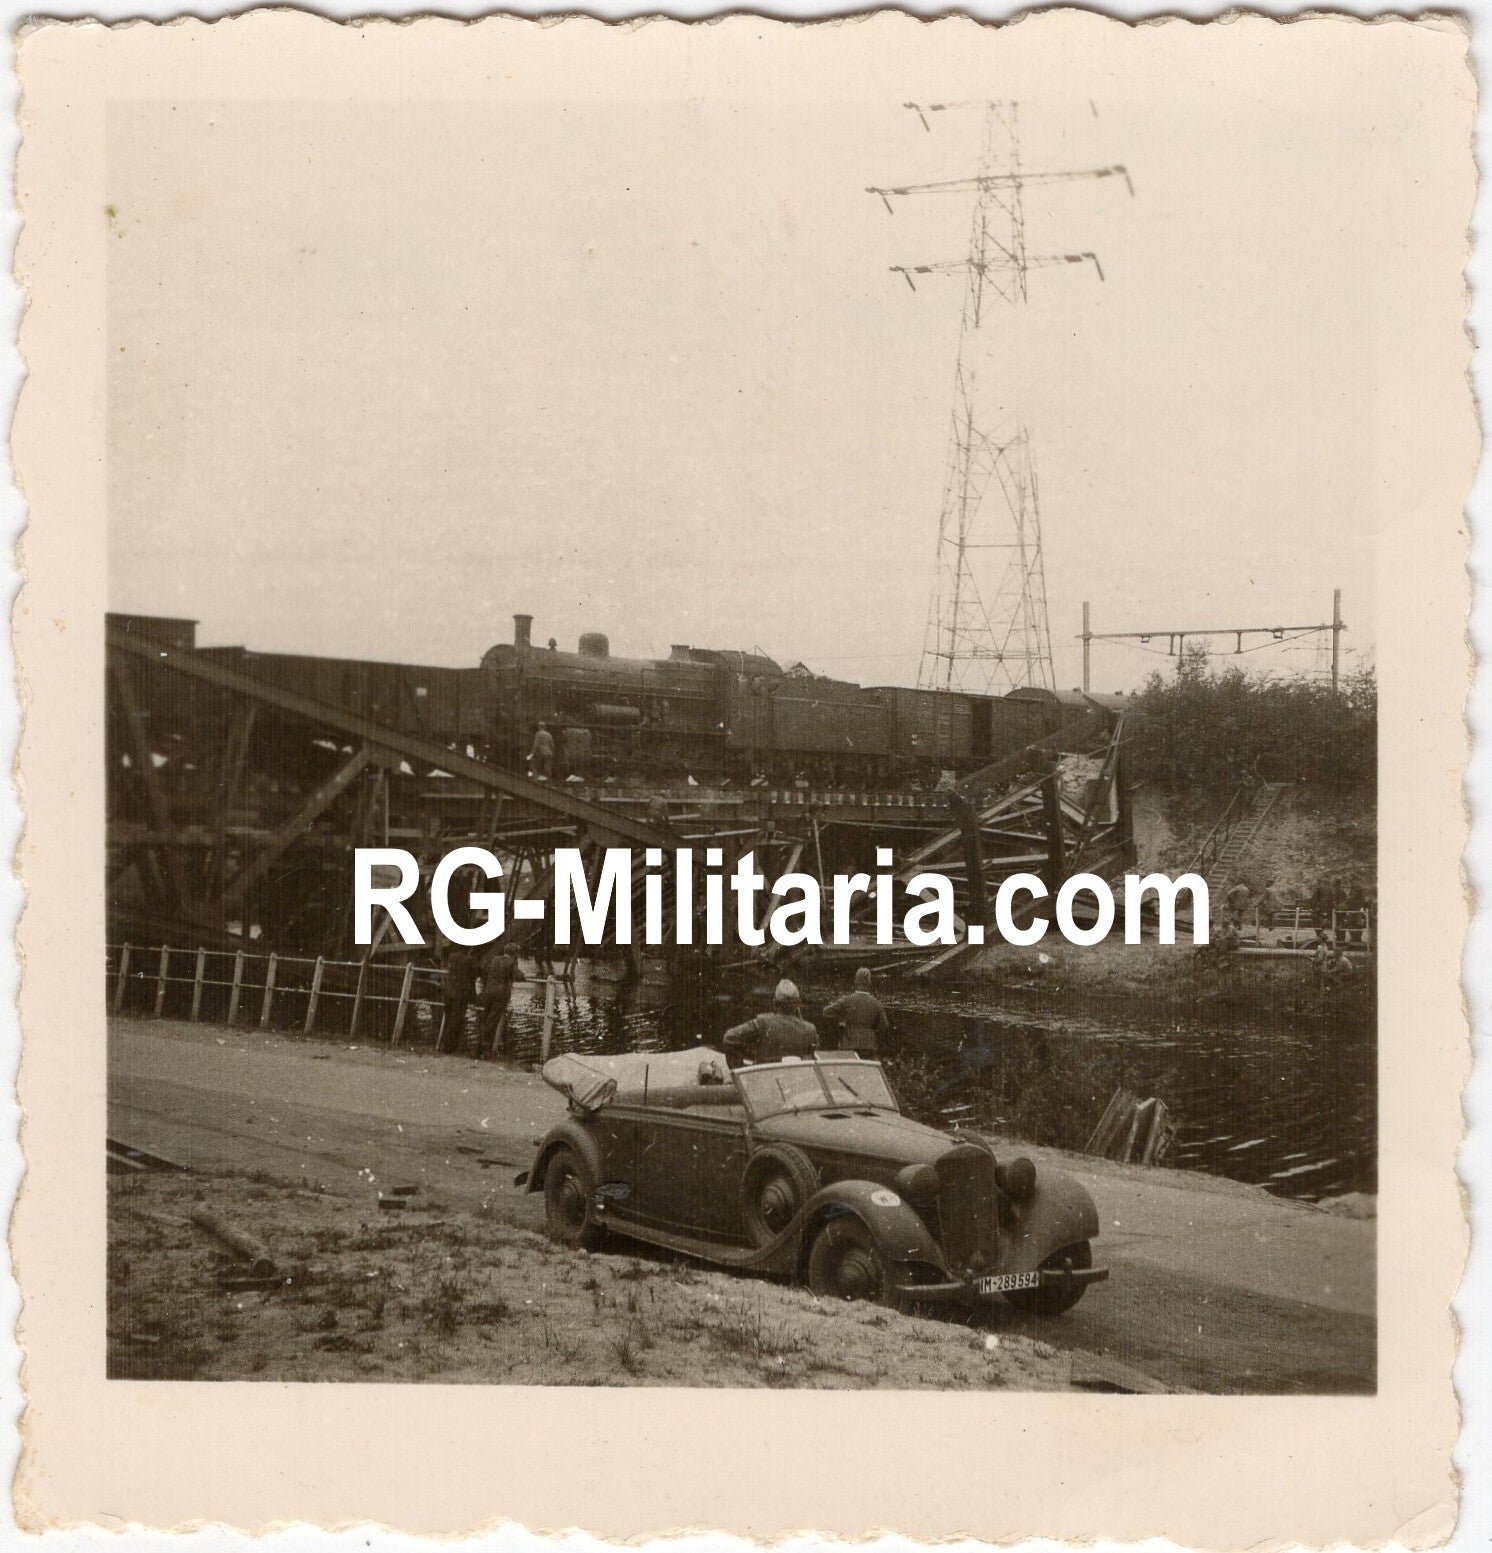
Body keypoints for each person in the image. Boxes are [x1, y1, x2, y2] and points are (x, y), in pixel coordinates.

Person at [723, 979, 818, 1065]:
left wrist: (742, 1069)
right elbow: (810, 1059)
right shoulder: (810, 1029)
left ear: (775, 1002)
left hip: (763, 1079)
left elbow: (730, 1037)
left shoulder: (763, 1022)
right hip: (795, 1081)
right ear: (797, 1004)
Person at [822, 967, 891, 1055]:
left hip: (849, 1044)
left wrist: (841, 1018)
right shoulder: (877, 1003)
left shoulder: (846, 1000)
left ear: (855, 981)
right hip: (869, 1045)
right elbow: (884, 1026)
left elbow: (826, 1012)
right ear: (870, 983)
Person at [478, 943, 523, 1058]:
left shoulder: (494, 959)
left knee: (486, 1017)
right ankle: (485, 1049)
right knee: (492, 1021)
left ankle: (480, 1047)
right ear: (514, 954)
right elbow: (519, 976)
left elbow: (484, 970)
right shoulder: (511, 962)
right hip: (501, 995)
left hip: (488, 992)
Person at [439, 945, 477, 1055]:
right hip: (460, 995)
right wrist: (473, 996)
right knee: (457, 1020)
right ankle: (451, 1048)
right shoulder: (470, 960)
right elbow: (472, 978)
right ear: (469, 949)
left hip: (449, 993)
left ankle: (446, 1045)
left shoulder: (452, 957)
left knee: (449, 1018)